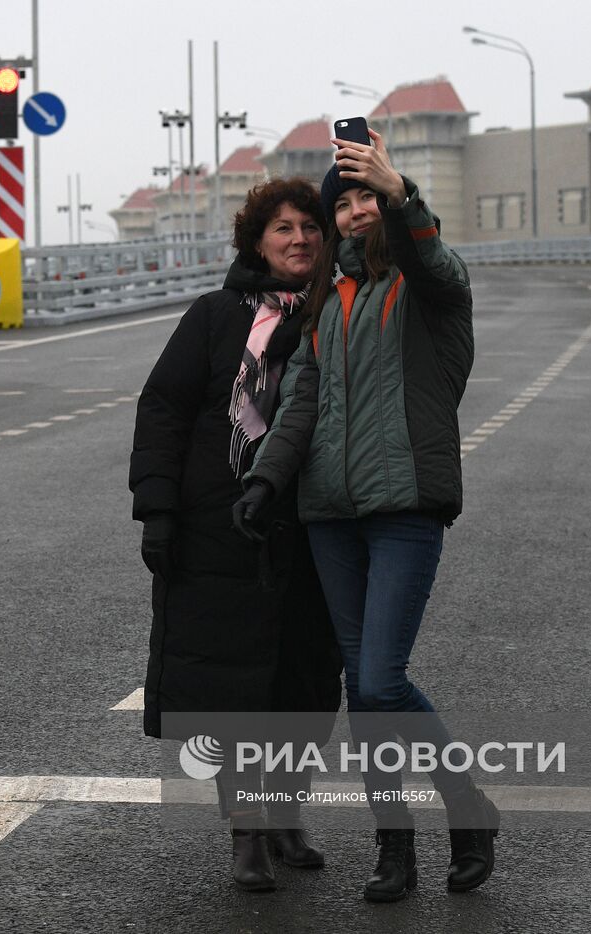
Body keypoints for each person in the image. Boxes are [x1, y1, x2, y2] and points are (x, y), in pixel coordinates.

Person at [233, 128, 499, 902]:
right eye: (341, 203)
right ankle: (395, 848)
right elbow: (302, 402)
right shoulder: (329, 299)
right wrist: (267, 481)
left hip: (405, 505)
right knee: (364, 684)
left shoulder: (430, 288)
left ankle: (466, 805)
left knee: (382, 681)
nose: (352, 213)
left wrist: (401, 192)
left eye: (365, 199)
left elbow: (431, 256)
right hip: (329, 514)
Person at [130, 178, 342, 893]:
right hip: (219, 529)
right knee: (237, 688)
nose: (299, 240)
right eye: (283, 229)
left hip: (314, 529)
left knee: (306, 682)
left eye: (310, 229)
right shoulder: (217, 317)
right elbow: (163, 407)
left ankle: (286, 813)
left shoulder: (340, 315)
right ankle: (248, 832)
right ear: (256, 241)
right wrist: (157, 508)